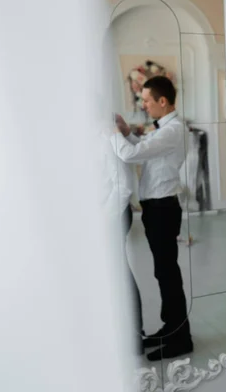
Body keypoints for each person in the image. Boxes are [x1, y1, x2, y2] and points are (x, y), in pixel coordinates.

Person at [112, 75, 192, 361]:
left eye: (146, 100)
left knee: (167, 273)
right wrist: (125, 131)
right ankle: (172, 329)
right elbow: (145, 150)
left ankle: (181, 338)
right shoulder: (165, 130)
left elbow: (132, 154)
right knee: (164, 272)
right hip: (157, 208)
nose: (143, 105)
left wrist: (111, 132)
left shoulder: (172, 131)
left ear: (162, 101)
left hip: (162, 209)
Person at [99, 120, 144, 355]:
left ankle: (135, 337)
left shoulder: (107, 140)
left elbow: (124, 187)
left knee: (120, 273)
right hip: (98, 220)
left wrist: (103, 219)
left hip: (113, 216)